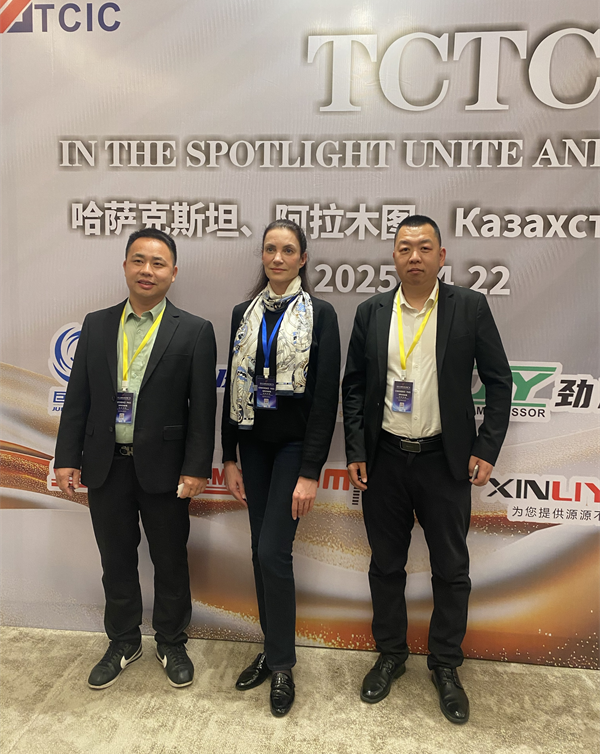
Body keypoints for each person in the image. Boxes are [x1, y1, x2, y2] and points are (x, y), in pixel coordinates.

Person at [342, 214, 512, 724]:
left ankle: (445, 664)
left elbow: (499, 381)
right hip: (386, 460)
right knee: (385, 566)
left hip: (445, 461)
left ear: (441, 256)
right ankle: (391, 654)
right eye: (404, 247)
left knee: (451, 570)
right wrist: (356, 450)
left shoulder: (470, 307)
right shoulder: (372, 312)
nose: (413, 256)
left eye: (423, 247)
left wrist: (487, 446)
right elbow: (355, 387)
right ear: (393, 257)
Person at [54, 229, 217, 690]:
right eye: (139, 260)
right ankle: (124, 640)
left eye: (158, 263)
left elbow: (202, 410)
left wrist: (196, 467)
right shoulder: (97, 324)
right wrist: (66, 458)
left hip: (165, 469)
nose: (148, 271)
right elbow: (78, 397)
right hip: (105, 464)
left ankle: (172, 641)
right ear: (125, 265)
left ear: (173, 273)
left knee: (170, 559)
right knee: (116, 559)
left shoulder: (195, 330)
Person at [222, 219, 340, 717]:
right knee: (259, 552)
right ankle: (272, 652)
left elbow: (325, 399)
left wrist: (311, 471)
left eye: (288, 250)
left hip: (293, 448)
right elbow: (232, 386)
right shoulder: (242, 313)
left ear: (303, 258)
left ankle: (283, 665)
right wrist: (228, 456)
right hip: (253, 445)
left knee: (273, 552)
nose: (277, 257)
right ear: (262, 255)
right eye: (270, 249)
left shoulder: (321, 314)